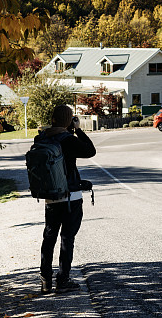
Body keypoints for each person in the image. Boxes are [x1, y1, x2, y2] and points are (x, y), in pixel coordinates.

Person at [38, 104, 96, 294]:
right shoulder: (69, 139)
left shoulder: (43, 138)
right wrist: (78, 130)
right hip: (71, 197)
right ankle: (62, 280)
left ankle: (45, 280)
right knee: (66, 239)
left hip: (50, 197)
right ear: (69, 120)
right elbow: (90, 151)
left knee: (49, 237)